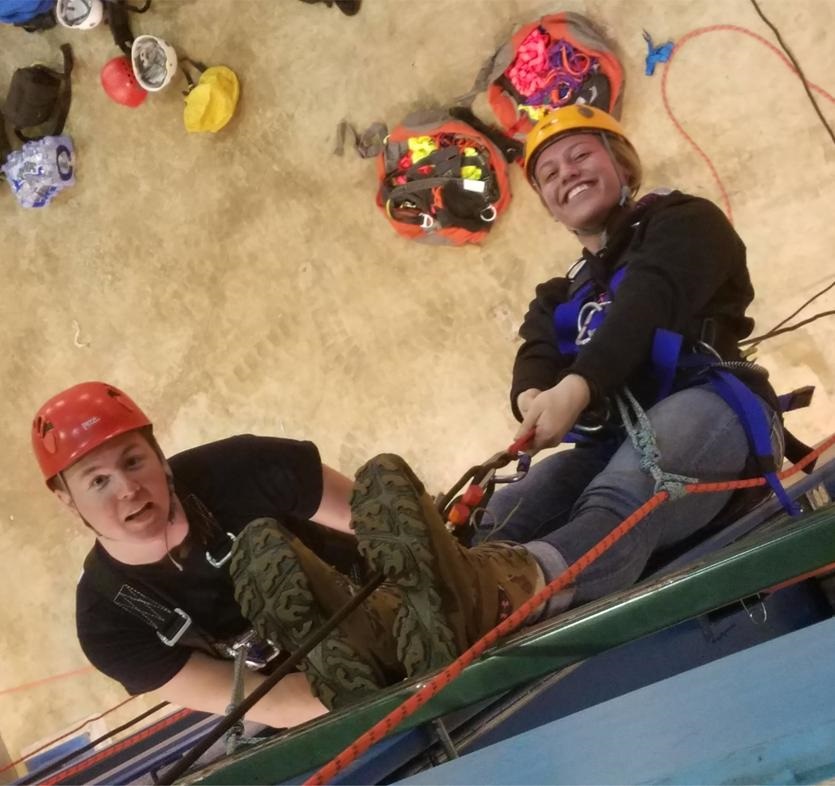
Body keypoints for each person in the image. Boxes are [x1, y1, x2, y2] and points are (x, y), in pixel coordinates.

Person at [347, 103, 788, 674]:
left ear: (622, 165)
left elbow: (648, 303)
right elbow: (535, 354)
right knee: (507, 509)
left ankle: (509, 590)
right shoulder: (559, 294)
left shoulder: (685, 221)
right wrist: (533, 398)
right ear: (550, 207)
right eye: (549, 174)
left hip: (713, 412)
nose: (567, 174)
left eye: (580, 155)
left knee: (628, 485)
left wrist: (577, 390)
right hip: (609, 443)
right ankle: (392, 624)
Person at [31, 381, 404, 728]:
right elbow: (273, 704)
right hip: (318, 689)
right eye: (98, 481)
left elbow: (386, 529)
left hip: (391, 600)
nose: (128, 489)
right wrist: (386, 693)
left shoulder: (243, 468)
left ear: (159, 456)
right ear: (67, 499)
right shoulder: (110, 625)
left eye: (133, 461)